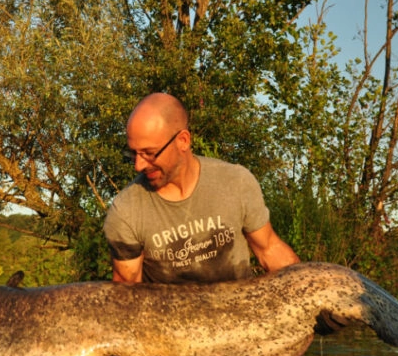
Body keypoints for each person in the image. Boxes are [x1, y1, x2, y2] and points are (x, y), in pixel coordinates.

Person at [103, 93, 300, 283]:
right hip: (167, 316)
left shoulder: (236, 182)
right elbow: (125, 296)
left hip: (240, 312)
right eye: (133, 153)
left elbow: (269, 250)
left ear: (183, 141)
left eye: (149, 153)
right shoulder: (126, 211)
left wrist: (310, 287)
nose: (139, 165)